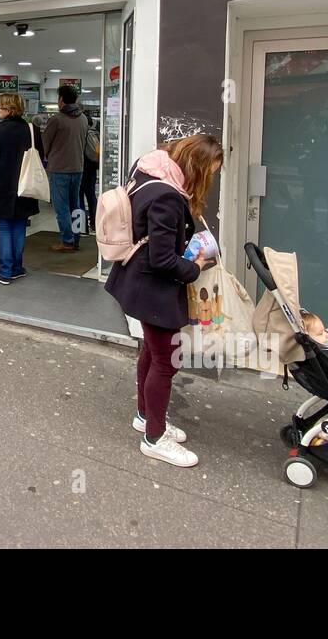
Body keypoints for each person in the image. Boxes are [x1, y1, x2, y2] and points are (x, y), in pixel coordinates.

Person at [105, 133, 224, 469]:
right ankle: (155, 438)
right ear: (197, 167)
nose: (211, 180)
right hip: (154, 289)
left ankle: (146, 417)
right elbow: (162, 260)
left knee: (152, 352)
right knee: (166, 361)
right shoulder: (169, 197)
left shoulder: (146, 170)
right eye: (211, 172)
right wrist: (195, 266)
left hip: (136, 282)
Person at [0, 93, 42, 285]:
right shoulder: (32, 130)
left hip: (3, 185)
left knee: (6, 226)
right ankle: (16, 267)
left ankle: (5, 271)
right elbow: (41, 155)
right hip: (27, 185)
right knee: (19, 226)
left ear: (9, 108)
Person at [43, 84, 91, 253]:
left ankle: (67, 240)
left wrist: (49, 156)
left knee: (61, 207)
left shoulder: (57, 119)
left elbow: (45, 143)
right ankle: (76, 237)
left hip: (59, 169)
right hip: (78, 168)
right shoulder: (83, 119)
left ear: (61, 100)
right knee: (76, 205)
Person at [80, 126, 100, 234]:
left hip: (82, 169)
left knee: (79, 198)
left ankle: (82, 227)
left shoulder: (81, 134)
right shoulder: (94, 133)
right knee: (92, 197)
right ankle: (95, 224)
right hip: (92, 169)